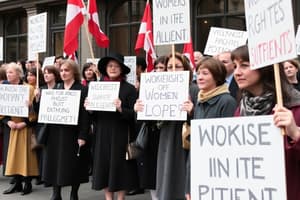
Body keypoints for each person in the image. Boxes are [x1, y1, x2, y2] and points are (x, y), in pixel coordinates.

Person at [232, 45, 300, 200]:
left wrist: (296, 133)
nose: (237, 72)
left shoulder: (294, 108)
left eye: (244, 65)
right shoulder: (240, 110)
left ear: (264, 68)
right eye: (235, 66)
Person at [135, 52, 194, 200]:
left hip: (184, 143)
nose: (173, 70)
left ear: (186, 68)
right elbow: (149, 121)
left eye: (177, 66)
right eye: (169, 67)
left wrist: (192, 111)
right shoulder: (157, 87)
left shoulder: (193, 89)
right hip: (165, 140)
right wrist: (140, 110)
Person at [184, 56, 237, 200]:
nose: (199, 77)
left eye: (205, 73)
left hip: (215, 170)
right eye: (199, 73)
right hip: (196, 164)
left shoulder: (227, 101)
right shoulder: (200, 100)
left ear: (217, 76)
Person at [88, 53, 139, 200]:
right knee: (104, 165)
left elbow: (134, 114)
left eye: (116, 66)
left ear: (122, 69)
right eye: (110, 66)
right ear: (105, 68)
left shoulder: (129, 89)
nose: (113, 68)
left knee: (120, 167)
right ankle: (108, 198)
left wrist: (121, 108)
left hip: (120, 133)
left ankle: (120, 198)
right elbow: (93, 115)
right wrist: (90, 109)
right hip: (102, 133)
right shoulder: (97, 87)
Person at [42, 60, 90, 200]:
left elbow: (85, 115)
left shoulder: (82, 89)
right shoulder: (56, 89)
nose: (63, 73)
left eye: (66, 70)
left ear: (73, 72)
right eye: (61, 70)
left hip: (73, 133)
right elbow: (45, 112)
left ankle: (74, 193)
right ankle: (56, 193)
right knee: (55, 162)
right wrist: (38, 100)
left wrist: (83, 135)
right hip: (55, 133)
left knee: (74, 164)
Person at [1, 62, 39, 195]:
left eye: (11, 72)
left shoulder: (28, 89)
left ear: (18, 74)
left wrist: (25, 122)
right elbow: (2, 110)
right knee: (12, 156)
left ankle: (27, 183)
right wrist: (8, 121)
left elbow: (36, 112)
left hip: (25, 127)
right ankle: (17, 183)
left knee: (25, 156)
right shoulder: (4, 89)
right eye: (7, 72)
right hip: (12, 127)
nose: (8, 74)